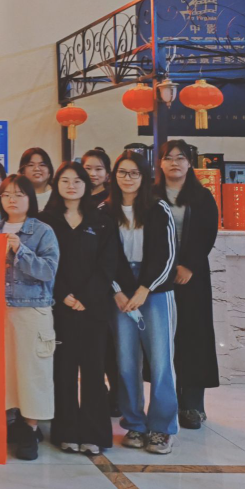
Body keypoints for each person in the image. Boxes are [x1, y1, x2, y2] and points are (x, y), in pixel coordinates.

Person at [40, 162, 118, 456]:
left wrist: (87, 296)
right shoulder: (45, 221)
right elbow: (44, 262)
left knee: (94, 370)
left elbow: (108, 263)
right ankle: (66, 431)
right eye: (65, 180)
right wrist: (63, 295)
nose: (71, 186)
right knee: (64, 368)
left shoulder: (102, 221)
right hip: (59, 307)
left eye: (77, 180)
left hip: (93, 307)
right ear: (56, 184)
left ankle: (95, 433)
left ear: (87, 185)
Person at [105, 150, 178, 455]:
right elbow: (102, 257)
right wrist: (117, 291)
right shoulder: (105, 210)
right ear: (114, 176)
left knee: (161, 361)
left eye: (134, 173)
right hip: (120, 290)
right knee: (126, 361)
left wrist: (146, 288)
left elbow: (168, 254)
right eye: (122, 172)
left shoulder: (158, 208)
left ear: (144, 176)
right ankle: (134, 423)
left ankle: (161, 428)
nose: (128, 178)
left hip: (155, 290)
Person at [0, 174, 59, 461]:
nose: (12, 199)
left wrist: (20, 249)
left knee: (32, 373)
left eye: (19, 194)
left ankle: (30, 429)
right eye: (7, 194)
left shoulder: (43, 231)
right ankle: (10, 425)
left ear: (30, 199)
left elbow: (48, 271)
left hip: (33, 310)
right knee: (4, 373)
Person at [155, 140, 219, 431]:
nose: (175, 163)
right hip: (158, 277)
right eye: (168, 158)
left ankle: (192, 405)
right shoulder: (151, 195)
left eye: (180, 158)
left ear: (189, 163)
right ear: (160, 163)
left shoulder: (201, 196)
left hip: (192, 277)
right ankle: (165, 404)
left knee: (193, 337)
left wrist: (189, 265)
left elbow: (207, 232)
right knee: (164, 339)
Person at [82, 147, 118, 415]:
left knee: (111, 345)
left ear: (107, 174)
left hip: (110, 282)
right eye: (87, 169)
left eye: (98, 169)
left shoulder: (112, 202)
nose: (93, 174)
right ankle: (97, 395)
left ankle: (117, 395)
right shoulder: (75, 198)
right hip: (81, 283)